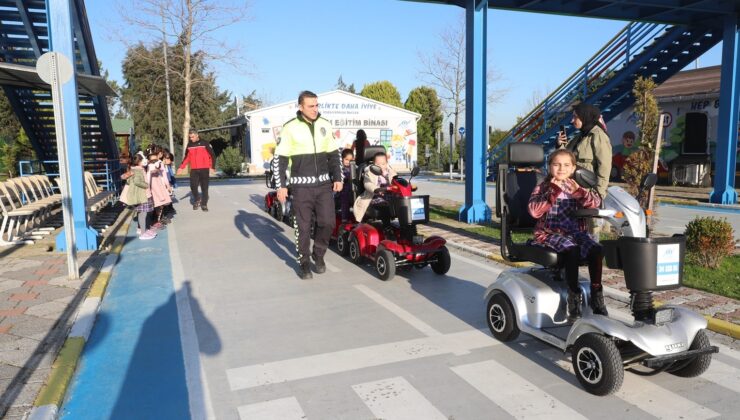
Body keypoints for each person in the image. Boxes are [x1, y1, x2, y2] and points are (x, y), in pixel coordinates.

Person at [528, 149, 608, 320]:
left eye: (566, 165)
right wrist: (553, 192)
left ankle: (596, 293)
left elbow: (596, 204)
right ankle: (573, 294)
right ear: (549, 167)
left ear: (573, 168)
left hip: (575, 232)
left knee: (596, 249)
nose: (561, 169)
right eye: (556, 164)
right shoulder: (543, 187)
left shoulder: (577, 186)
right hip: (549, 232)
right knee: (572, 249)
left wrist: (580, 192)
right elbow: (534, 212)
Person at [273, 91, 343, 280]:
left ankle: (318, 255)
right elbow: (279, 159)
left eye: (317, 105)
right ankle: (304, 263)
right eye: (311, 106)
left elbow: (334, 155)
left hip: (323, 185)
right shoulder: (290, 128)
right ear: (301, 107)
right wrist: (281, 186)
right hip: (301, 187)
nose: (315, 109)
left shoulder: (325, 125)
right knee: (303, 227)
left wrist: (338, 176)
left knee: (328, 222)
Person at [557, 103, 612, 198]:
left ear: (585, 116)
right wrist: (560, 144)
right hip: (572, 187)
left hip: (587, 191)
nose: (572, 120)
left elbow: (604, 167)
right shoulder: (580, 136)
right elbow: (565, 158)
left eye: (575, 117)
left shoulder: (598, 136)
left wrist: (599, 194)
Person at [353, 151, 398, 227]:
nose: (380, 166)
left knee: (402, 203)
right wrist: (376, 189)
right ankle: (387, 227)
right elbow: (367, 184)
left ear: (387, 163)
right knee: (384, 206)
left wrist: (404, 183)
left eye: (383, 164)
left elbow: (396, 180)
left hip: (389, 196)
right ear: (373, 164)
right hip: (374, 197)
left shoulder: (390, 171)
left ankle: (406, 227)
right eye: (377, 164)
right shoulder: (370, 172)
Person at [176, 128, 216, 211]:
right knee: (193, 186)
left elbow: (212, 155)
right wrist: (181, 167)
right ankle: (197, 199)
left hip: (204, 169)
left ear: (197, 135)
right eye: (190, 137)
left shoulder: (205, 143)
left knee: (204, 188)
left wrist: (212, 167)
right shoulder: (189, 145)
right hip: (194, 170)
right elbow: (186, 158)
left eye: (192, 137)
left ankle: (204, 204)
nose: (191, 139)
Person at [123, 154, 157, 240]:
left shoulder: (134, 169)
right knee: (143, 214)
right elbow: (137, 181)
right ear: (139, 162)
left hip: (141, 195)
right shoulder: (138, 170)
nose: (143, 162)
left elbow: (123, 177)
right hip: (143, 195)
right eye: (142, 161)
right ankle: (143, 233)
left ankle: (142, 230)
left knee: (142, 213)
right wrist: (146, 185)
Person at [146, 145, 171, 229]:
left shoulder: (160, 163)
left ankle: (157, 220)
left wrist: (167, 185)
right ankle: (153, 221)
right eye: (151, 160)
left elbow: (164, 175)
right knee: (152, 204)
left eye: (155, 159)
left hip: (159, 184)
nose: (153, 161)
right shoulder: (147, 165)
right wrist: (147, 187)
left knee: (161, 203)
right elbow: (147, 176)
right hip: (151, 185)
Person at [339, 149, 354, 222]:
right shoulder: (341, 169)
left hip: (353, 189)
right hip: (343, 189)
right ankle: (344, 218)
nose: (348, 162)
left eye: (351, 160)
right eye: (346, 159)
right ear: (342, 159)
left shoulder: (355, 167)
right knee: (345, 200)